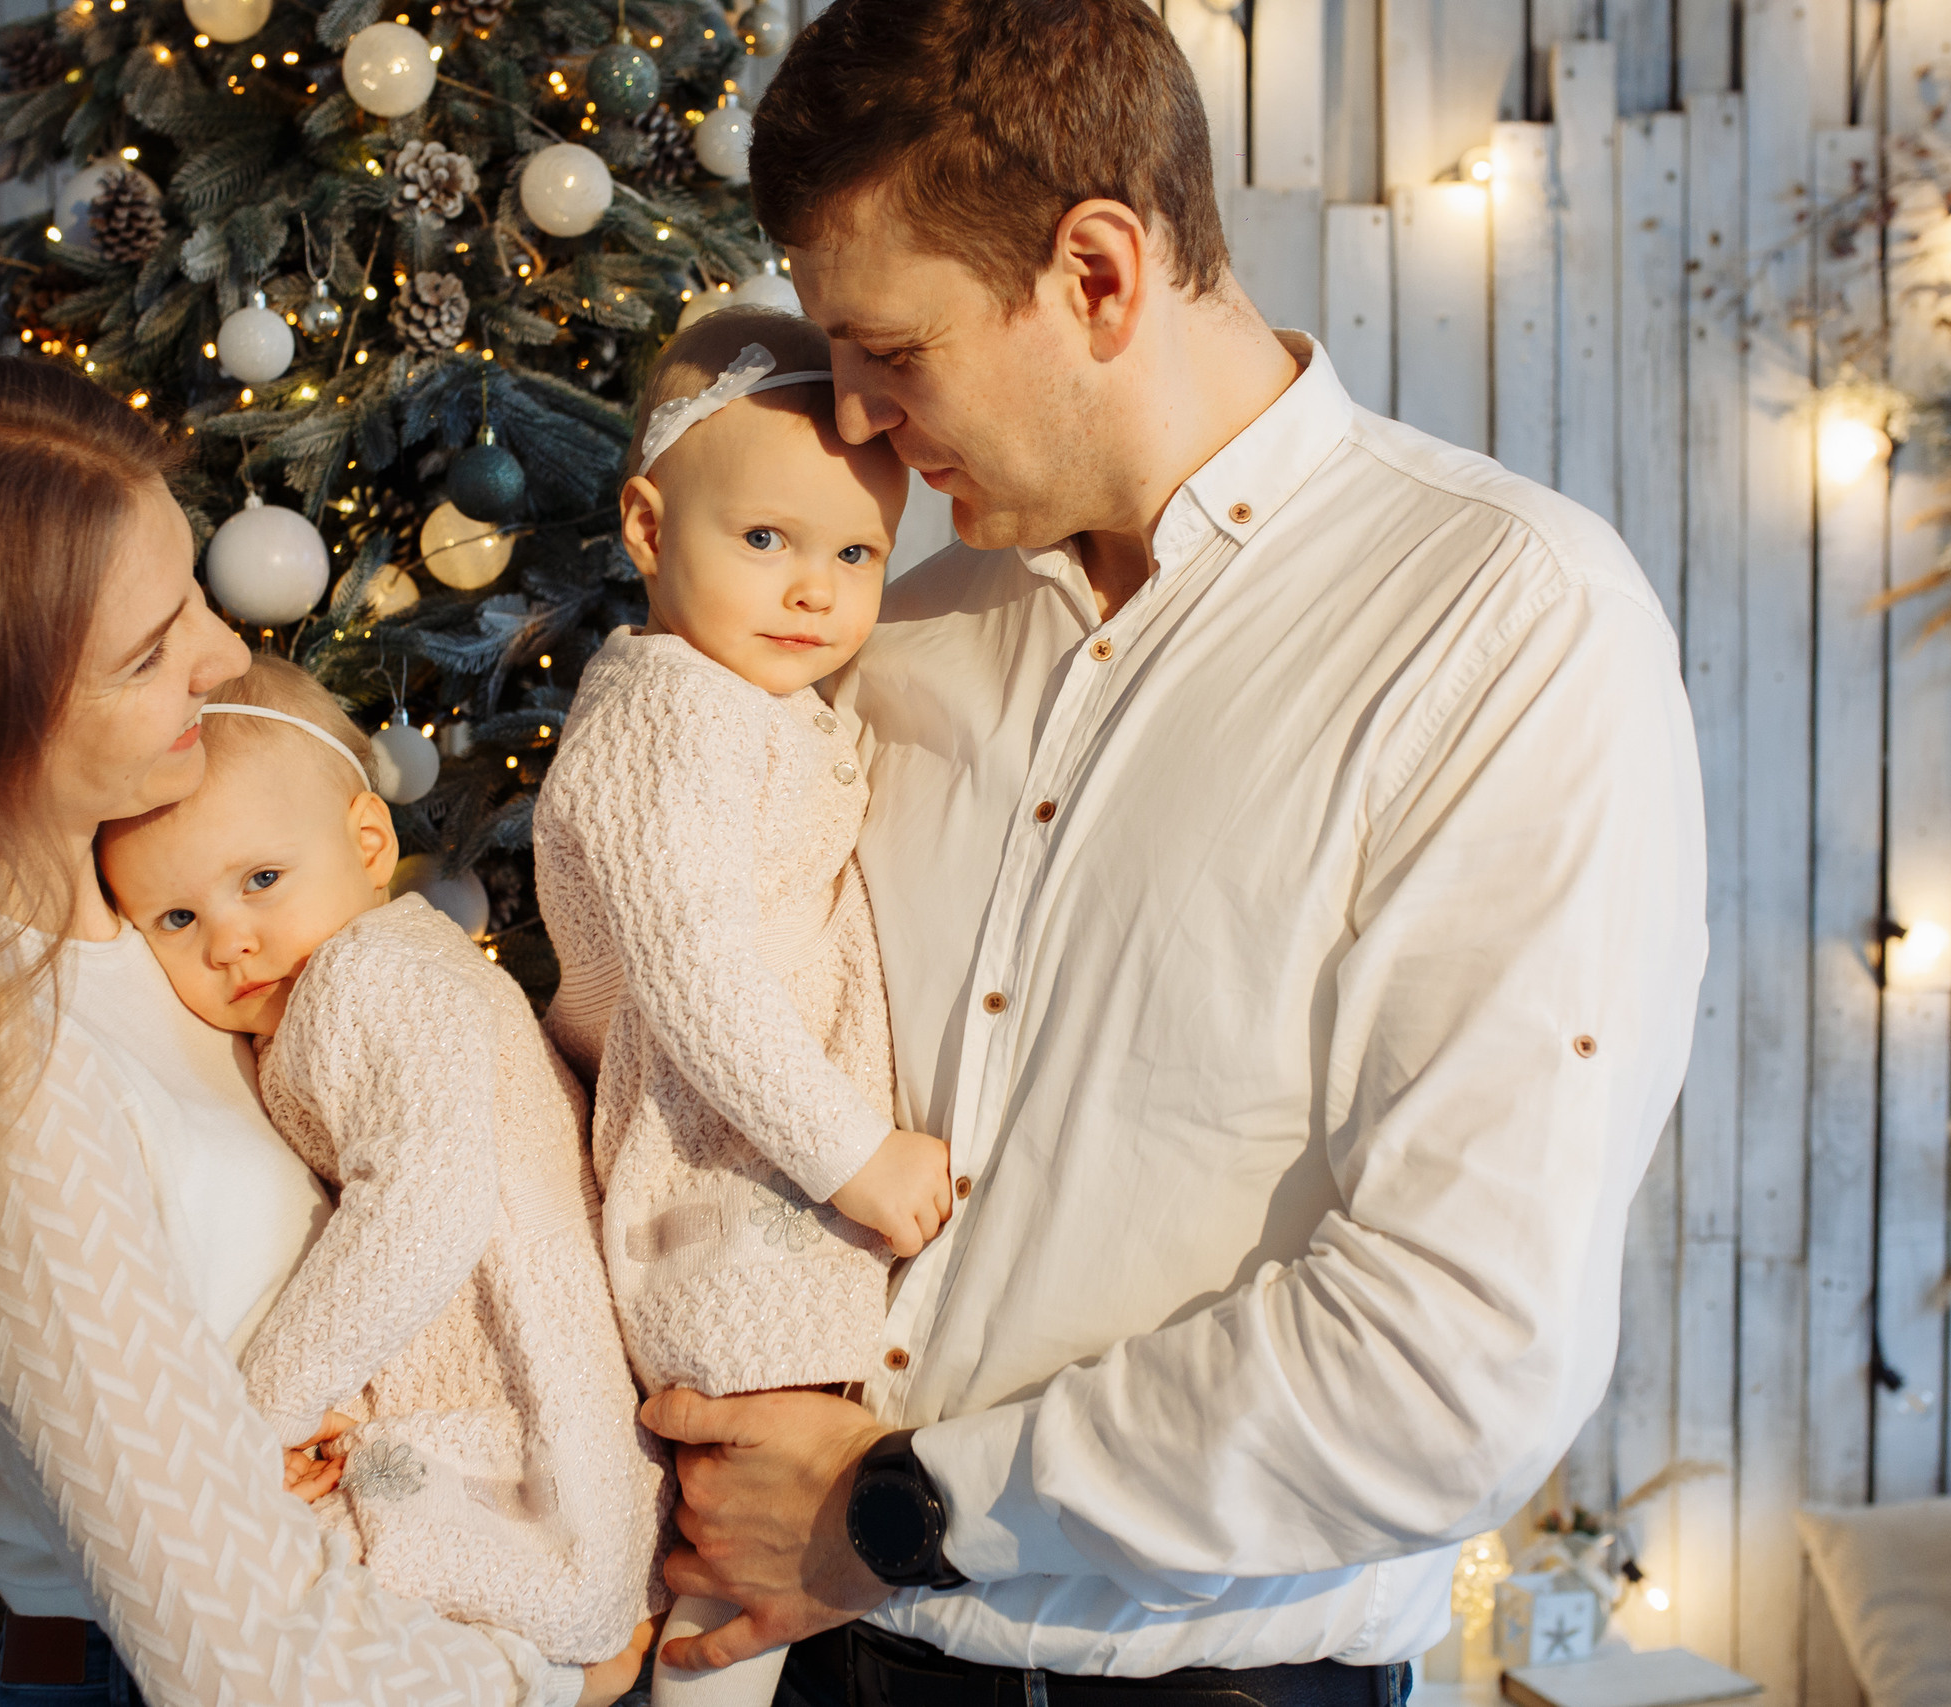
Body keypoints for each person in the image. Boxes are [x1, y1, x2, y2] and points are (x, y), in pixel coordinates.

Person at [636, 4, 1710, 1706]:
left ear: (1099, 271)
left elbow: (1456, 1362)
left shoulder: (1507, 628)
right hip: (824, 1664)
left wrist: (902, 1508)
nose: (847, 412)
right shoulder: (890, 637)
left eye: (893, 348)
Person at [0, 349, 647, 1707]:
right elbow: (246, 1654)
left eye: (192, 591)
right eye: (147, 651)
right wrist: (560, 1674)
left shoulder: (140, 900)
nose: (222, 654)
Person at [534, 307, 947, 1707]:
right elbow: (693, 970)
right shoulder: (671, 715)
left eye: (855, 553)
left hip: (761, 1169)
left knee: (766, 1528)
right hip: (732, 1177)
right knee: (737, 1523)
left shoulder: (749, 701)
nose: (814, 590)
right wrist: (856, 1153)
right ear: (649, 527)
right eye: (765, 539)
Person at [95, 657, 666, 1666]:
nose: (232, 941)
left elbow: (425, 1207)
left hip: (529, 1399)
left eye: (261, 880)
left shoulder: (376, 973)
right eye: (177, 920)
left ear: (367, 842)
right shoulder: (333, 993)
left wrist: (265, 1408)